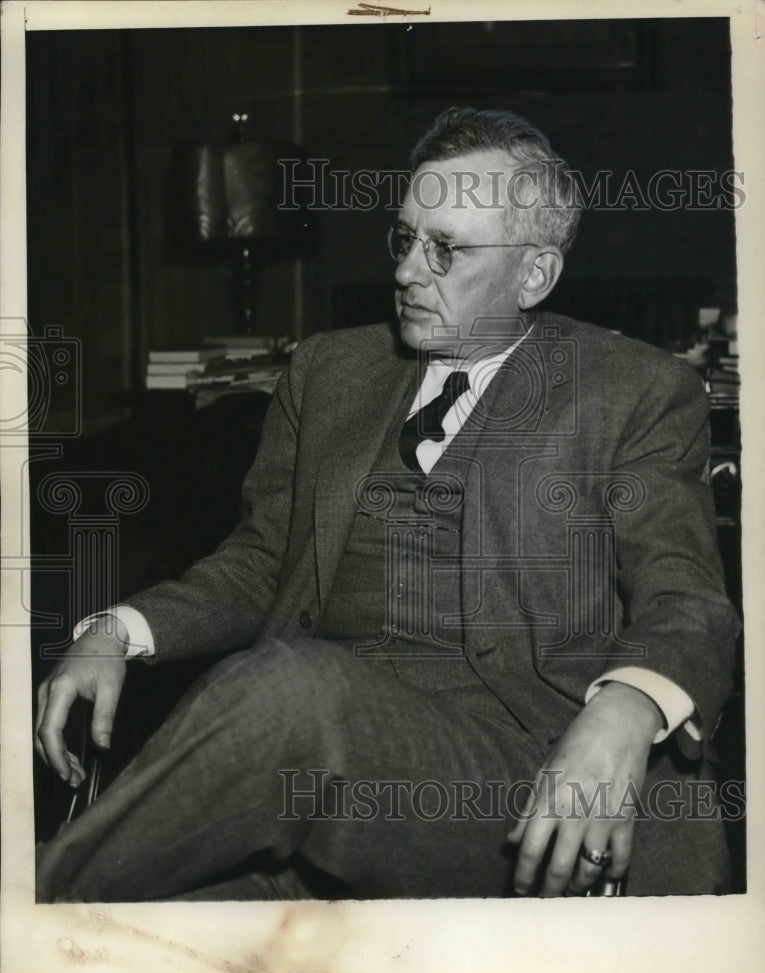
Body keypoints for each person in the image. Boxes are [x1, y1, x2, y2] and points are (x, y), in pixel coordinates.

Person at [35, 107, 739, 902]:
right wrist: (118, 632)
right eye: (404, 238)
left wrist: (626, 711)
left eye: (447, 249)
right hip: (317, 800)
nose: (408, 272)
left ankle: (22, 916)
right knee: (149, 938)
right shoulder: (331, 372)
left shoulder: (631, 390)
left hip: (517, 788)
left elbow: (688, 601)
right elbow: (263, 563)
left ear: (533, 274)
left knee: (296, 689)